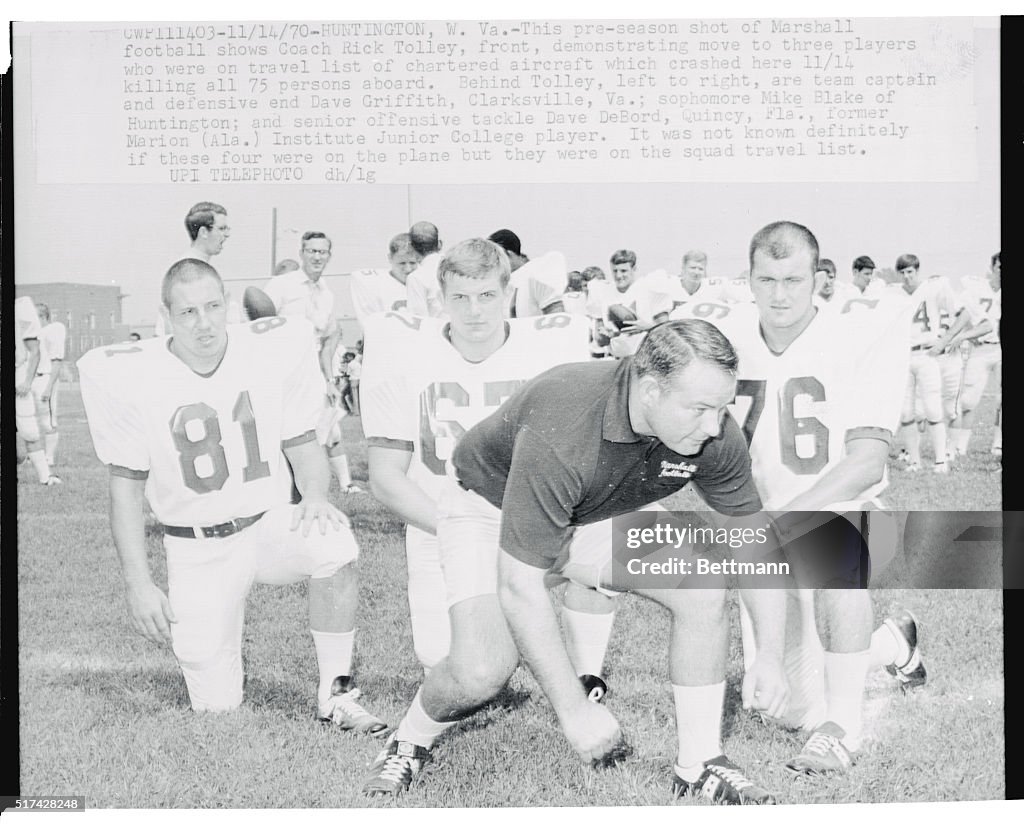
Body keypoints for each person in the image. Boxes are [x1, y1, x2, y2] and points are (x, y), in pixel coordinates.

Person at [362, 318, 788, 805]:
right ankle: (410, 738)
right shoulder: (567, 422)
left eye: (721, 408)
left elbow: (755, 538)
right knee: (481, 669)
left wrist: (770, 653)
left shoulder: (712, 430)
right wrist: (574, 710)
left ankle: (699, 763)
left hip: (595, 509)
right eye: (699, 409)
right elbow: (522, 588)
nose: (715, 426)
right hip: (491, 509)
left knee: (699, 582)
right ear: (649, 390)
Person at [78, 259, 386, 732]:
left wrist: (317, 495)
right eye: (187, 313)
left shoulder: (265, 353)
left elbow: (302, 443)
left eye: (212, 307)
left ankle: (336, 696)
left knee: (334, 542)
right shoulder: (136, 377)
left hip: (265, 525)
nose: (203, 323)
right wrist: (139, 584)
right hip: (195, 547)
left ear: (227, 304)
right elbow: (125, 495)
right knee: (216, 705)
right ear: (166, 316)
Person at [718, 222, 922, 775]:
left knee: (829, 540)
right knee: (786, 710)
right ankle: (894, 644)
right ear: (749, 279)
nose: (779, 294)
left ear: (818, 278)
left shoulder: (856, 336)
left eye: (793, 279)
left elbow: (867, 462)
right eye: (767, 279)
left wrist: (782, 522)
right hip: (767, 531)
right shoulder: (728, 338)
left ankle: (843, 730)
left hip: (847, 512)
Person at [360, 237, 591, 674]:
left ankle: (587, 673)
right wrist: (456, 530)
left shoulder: (545, 352)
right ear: (441, 300)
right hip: (437, 528)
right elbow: (385, 477)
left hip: (524, 529)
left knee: (609, 551)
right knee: (452, 666)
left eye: (487, 295)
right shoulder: (406, 353)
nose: (475, 310)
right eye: (460, 298)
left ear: (508, 294)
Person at [262, 231, 362, 493]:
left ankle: (325, 487)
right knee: (283, 433)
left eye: (322, 252)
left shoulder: (327, 294)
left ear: (329, 255)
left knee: (325, 431)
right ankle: (282, 490)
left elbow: (327, 341)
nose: (317, 256)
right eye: (312, 251)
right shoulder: (281, 285)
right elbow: (259, 325)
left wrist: (329, 380)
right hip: (282, 374)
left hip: (313, 374)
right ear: (302, 253)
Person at [890, 254, 979, 473]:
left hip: (927, 354)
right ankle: (914, 460)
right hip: (903, 357)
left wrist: (944, 340)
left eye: (910, 272)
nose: (906, 277)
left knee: (932, 408)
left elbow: (965, 314)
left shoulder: (934, 288)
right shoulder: (892, 293)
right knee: (906, 412)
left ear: (917, 271)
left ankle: (940, 460)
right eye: (902, 272)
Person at [945, 252, 1001, 457]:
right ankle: (961, 445)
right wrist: (969, 333)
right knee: (968, 400)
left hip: (1000, 348)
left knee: (1001, 400)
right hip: (980, 349)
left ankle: (998, 444)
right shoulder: (977, 288)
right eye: (999, 267)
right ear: (992, 267)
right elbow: (964, 312)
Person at [155, 202, 237, 337]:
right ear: (204, 232)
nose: (227, 234)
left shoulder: (199, 267)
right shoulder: (186, 271)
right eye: (222, 228)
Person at [15, 295, 61, 486]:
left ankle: (45, 477)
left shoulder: (21, 306)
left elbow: (34, 350)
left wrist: (26, 380)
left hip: (16, 375)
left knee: (30, 431)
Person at [593, 249, 673, 358]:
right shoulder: (605, 294)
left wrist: (647, 327)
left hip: (644, 359)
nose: (618, 275)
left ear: (634, 269)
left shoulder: (649, 290)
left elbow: (667, 331)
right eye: (615, 271)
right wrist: (605, 335)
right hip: (616, 361)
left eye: (623, 271)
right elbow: (600, 341)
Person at [487, 228, 568, 317]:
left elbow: (556, 314)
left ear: (508, 254)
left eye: (496, 258)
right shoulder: (504, 282)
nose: (493, 265)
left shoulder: (538, 270)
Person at [349, 233, 422, 322]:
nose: (408, 269)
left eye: (412, 263)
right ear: (390, 258)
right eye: (402, 263)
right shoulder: (376, 285)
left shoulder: (425, 283)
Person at [32, 302, 68, 470]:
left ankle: (49, 457)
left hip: (45, 377)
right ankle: (32, 455)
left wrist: (48, 387)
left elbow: (57, 361)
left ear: (43, 316)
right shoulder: (34, 333)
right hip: (31, 378)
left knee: (48, 422)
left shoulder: (54, 329)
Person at [405, 221, 445, 317]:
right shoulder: (456, 265)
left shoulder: (416, 278)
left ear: (410, 247)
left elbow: (418, 319)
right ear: (440, 244)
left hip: (439, 330)